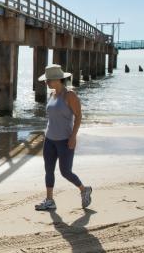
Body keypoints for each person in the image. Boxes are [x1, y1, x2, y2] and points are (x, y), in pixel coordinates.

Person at [34, 64, 92, 211]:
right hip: (50, 140)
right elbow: (52, 118)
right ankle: (49, 200)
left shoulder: (70, 95)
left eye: (49, 80)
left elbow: (78, 116)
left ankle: (84, 189)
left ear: (58, 80)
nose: (46, 83)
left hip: (65, 140)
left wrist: (73, 136)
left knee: (65, 172)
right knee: (48, 170)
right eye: (46, 80)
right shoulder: (52, 95)